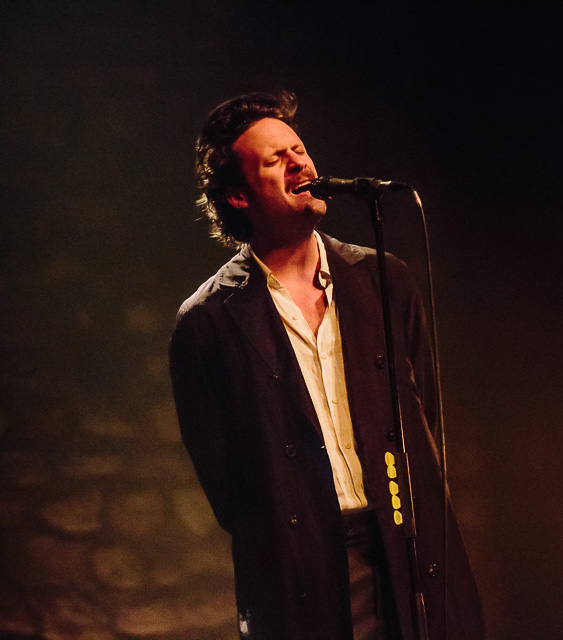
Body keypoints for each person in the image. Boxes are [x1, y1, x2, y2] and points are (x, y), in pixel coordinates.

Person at [169, 91, 483, 640]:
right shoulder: (208, 321)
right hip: (304, 572)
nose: (299, 164)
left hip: (409, 553)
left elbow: (423, 420)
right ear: (239, 197)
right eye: (275, 159)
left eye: (299, 150)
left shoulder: (384, 279)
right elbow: (227, 487)